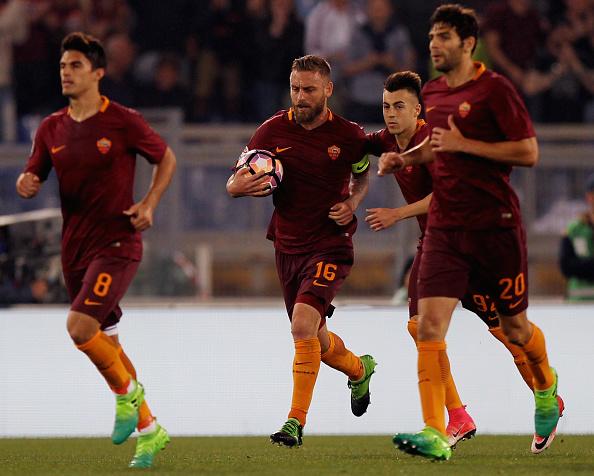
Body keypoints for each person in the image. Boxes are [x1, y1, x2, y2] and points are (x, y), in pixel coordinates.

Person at [378, 5, 561, 460]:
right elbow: (432, 146)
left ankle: (545, 388)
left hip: (494, 228)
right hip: (445, 231)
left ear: (467, 43)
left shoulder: (495, 91)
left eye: (443, 37)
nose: (434, 45)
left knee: (516, 330)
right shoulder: (436, 92)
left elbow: (528, 151)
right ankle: (438, 430)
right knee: (426, 326)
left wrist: (466, 145)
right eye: (431, 38)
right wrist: (406, 159)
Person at [15, 32, 176, 469]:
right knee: (106, 341)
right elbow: (32, 175)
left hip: (118, 243)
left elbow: (166, 158)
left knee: (79, 327)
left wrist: (149, 204)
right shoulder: (51, 128)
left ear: (98, 73)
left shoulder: (121, 121)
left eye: (76, 66)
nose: (66, 73)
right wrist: (25, 183)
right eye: (63, 66)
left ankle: (129, 395)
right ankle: (150, 429)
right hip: (75, 250)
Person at [226, 54, 376, 447]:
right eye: (295, 88)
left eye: (309, 89)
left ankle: (294, 422)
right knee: (318, 340)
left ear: (328, 89)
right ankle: (360, 370)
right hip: (288, 245)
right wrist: (236, 187)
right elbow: (237, 177)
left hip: (330, 243)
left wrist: (353, 203)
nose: (300, 96)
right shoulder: (271, 130)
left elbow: (363, 174)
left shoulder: (349, 136)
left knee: (301, 327)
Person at [559, 173, 594, 300]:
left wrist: (583, 266)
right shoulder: (574, 229)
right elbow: (566, 266)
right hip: (578, 302)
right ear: (589, 197)